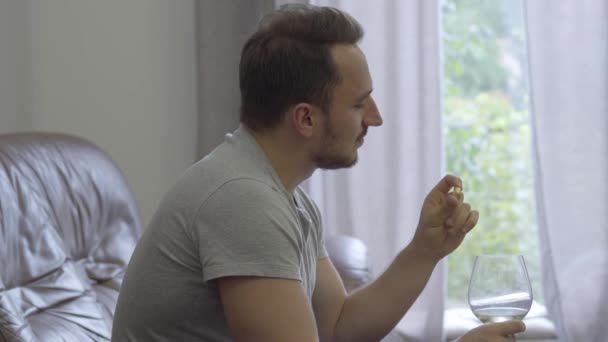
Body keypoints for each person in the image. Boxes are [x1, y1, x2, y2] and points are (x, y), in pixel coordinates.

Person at [112, 4, 526, 342]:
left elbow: (338, 326)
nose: (376, 118)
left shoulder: (284, 195)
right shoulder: (242, 199)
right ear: (306, 119)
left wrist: (424, 250)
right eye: (360, 103)